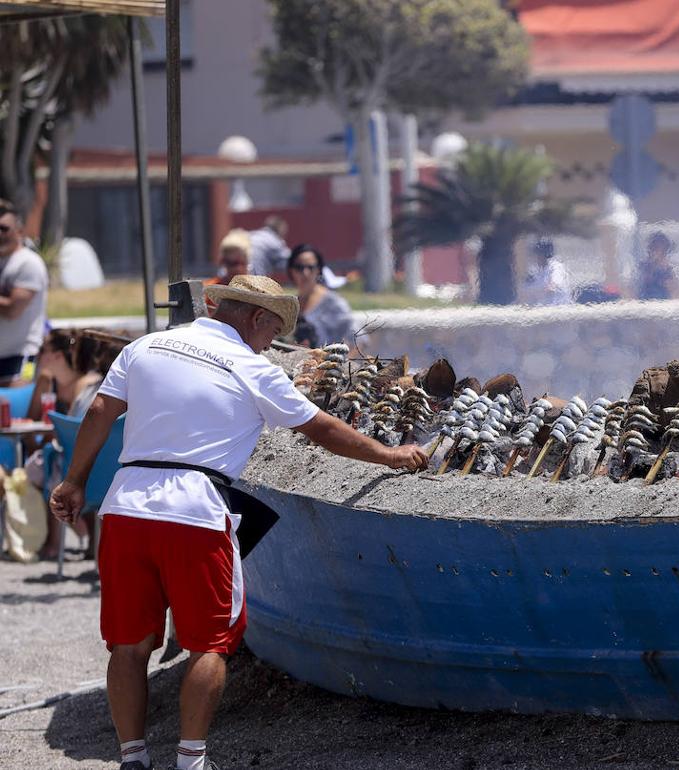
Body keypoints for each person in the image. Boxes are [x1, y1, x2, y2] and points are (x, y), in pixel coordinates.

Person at [50, 275, 427, 770]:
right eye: (272, 330)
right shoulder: (253, 367)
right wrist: (389, 454)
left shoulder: (146, 346)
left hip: (126, 509)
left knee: (128, 644)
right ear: (255, 317)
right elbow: (321, 428)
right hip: (196, 512)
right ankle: (191, 761)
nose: (271, 342)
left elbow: (100, 410)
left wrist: (74, 482)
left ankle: (133, 758)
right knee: (208, 644)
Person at [26, 329, 105, 559]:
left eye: (43, 350)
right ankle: (68, 537)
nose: (38, 355)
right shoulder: (46, 381)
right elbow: (31, 422)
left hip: (76, 458)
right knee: (44, 465)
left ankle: (57, 542)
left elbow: (75, 432)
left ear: (58, 355)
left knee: (51, 468)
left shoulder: (86, 385)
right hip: (65, 454)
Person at [0, 199, 48, 384]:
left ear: (19, 231)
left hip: (24, 357)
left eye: (4, 228)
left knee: (18, 400)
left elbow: (13, 310)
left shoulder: (28, 263)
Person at [287, 244, 354, 349]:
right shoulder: (290, 305)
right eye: (299, 267)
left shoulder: (334, 303)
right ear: (291, 270)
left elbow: (358, 341)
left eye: (310, 267)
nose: (305, 273)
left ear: (318, 269)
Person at [523, 238, 572, 305]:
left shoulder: (556, 267)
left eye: (537, 254)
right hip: (544, 307)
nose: (535, 257)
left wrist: (534, 292)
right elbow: (526, 288)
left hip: (559, 307)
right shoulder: (537, 270)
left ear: (544, 254)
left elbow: (552, 287)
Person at [638, 231, 676, 300]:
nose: (658, 253)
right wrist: (652, 265)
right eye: (655, 249)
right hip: (645, 300)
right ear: (650, 250)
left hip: (663, 301)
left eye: (662, 250)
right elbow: (641, 282)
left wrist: (664, 269)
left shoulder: (667, 268)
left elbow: (672, 288)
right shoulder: (644, 266)